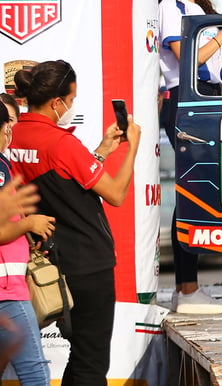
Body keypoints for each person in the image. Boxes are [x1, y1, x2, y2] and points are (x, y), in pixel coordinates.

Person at [9, 60, 140, 386]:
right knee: (90, 361)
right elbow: (115, 194)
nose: (72, 106)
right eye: (72, 98)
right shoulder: (61, 143)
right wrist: (132, 148)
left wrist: (101, 151)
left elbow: (62, 183)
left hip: (49, 262)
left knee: (79, 356)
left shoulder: (14, 135)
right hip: (86, 263)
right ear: (57, 102)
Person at [158, 0, 222, 315]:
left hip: (210, 98)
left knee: (202, 191)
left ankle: (189, 288)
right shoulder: (169, 8)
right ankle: (187, 288)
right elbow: (187, 57)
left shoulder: (198, 9)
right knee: (192, 192)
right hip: (184, 99)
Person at [0, 101, 54, 386]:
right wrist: (29, 224)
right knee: (37, 376)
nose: (11, 128)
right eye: (7, 122)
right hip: (6, 292)